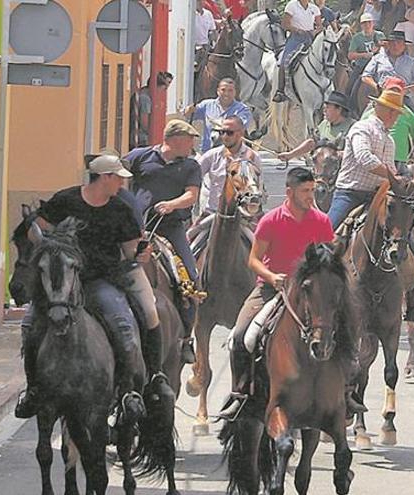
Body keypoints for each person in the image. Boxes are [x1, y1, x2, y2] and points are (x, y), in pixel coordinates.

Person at [15, 153, 166, 419]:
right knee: (29, 325)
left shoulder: (121, 210)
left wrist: (141, 254)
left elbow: (131, 250)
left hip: (101, 281)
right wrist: (50, 246)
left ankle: (133, 387)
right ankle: (33, 390)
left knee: (123, 324)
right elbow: (36, 231)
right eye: (118, 178)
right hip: (62, 281)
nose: (122, 184)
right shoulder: (65, 200)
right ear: (104, 178)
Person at [218, 166, 366, 420]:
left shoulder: (320, 222)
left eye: (312, 190)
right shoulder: (270, 221)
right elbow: (253, 260)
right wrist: (272, 277)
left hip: (310, 294)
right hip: (271, 289)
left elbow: (327, 259)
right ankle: (240, 393)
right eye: (305, 191)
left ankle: (347, 393)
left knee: (348, 335)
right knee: (241, 336)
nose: (311, 196)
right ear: (289, 192)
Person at [125, 120, 203, 362]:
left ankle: (186, 339)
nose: (193, 144)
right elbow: (117, 177)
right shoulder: (140, 156)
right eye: (190, 139)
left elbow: (192, 195)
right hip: (136, 227)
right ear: (175, 139)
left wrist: (172, 205)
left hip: (171, 228)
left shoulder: (190, 166)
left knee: (190, 277)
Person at [327, 88, 402, 230]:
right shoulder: (362, 128)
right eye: (396, 113)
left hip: (378, 197)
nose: (397, 117)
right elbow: (365, 158)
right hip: (350, 194)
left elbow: (391, 169)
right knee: (327, 234)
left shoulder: (390, 140)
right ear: (390, 112)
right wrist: (393, 177)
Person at [362, 77, 414, 170]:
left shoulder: (407, 113)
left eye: (397, 91)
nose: (394, 94)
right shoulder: (371, 112)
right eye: (392, 90)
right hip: (376, 161)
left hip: (399, 163)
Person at [197, 115, 262, 215]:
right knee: (192, 231)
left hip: (242, 214)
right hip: (213, 212)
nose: (225, 136)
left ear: (241, 133)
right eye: (222, 132)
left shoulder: (253, 157)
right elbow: (194, 177)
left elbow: (258, 187)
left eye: (229, 133)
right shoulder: (211, 156)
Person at [277, 91, 356, 161]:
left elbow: (357, 152)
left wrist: (334, 155)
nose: (324, 111)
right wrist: (290, 155)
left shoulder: (354, 127)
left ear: (339, 109)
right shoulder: (324, 124)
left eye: (327, 108)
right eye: (324, 108)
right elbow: (312, 143)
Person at [361, 30, 414, 115]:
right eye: (392, 43)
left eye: (399, 43)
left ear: (404, 46)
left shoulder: (412, 62)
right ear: (388, 44)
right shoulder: (377, 59)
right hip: (382, 95)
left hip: (402, 98)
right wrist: (376, 86)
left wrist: (407, 89)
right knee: (365, 117)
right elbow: (365, 76)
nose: (395, 46)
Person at [272, 0, 322, 103]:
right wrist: (296, 30)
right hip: (296, 38)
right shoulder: (292, 5)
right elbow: (285, 24)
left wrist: (314, 32)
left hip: (310, 38)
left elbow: (320, 26)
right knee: (284, 61)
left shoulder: (314, 8)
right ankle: (280, 91)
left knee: (324, 57)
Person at [188, 78, 253, 153]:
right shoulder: (206, 105)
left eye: (230, 90)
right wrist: (188, 111)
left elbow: (240, 125)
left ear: (235, 92)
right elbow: (189, 116)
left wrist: (218, 122)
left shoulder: (243, 109)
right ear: (218, 91)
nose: (226, 93)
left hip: (232, 154)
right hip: (208, 153)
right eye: (223, 90)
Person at [134, 72, 173, 147]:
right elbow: (144, 122)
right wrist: (153, 133)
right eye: (163, 89)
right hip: (141, 138)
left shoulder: (143, 94)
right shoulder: (145, 99)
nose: (161, 92)